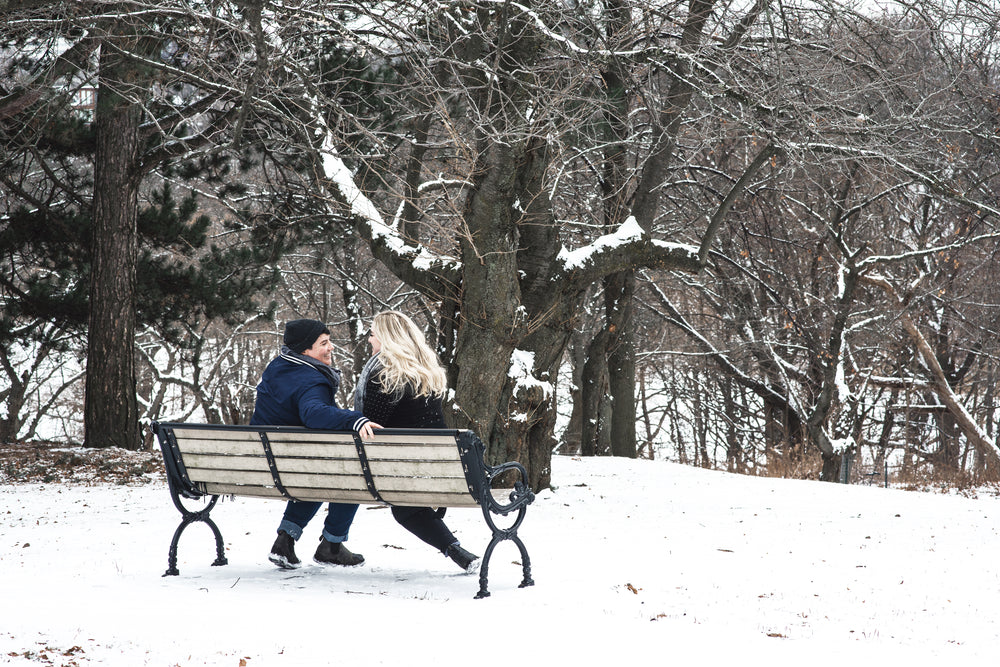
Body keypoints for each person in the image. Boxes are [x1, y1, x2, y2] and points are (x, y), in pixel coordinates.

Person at [354, 310, 480, 573]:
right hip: (437, 463)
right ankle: (456, 551)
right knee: (406, 506)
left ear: (387, 338)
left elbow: (373, 426)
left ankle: (455, 550)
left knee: (404, 509)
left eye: (373, 334)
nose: (369, 340)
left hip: (400, 464)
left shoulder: (385, 374)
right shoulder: (427, 371)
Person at [252, 318, 382, 570]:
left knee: (316, 472)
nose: (331, 347)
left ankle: (285, 540)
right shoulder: (311, 378)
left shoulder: (278, 367)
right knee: (349, 473)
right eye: (323, 343)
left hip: (268, 463)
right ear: (304, 351)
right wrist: (355, 418)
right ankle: (331, 546)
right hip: (294, 464)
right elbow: (314, 413)